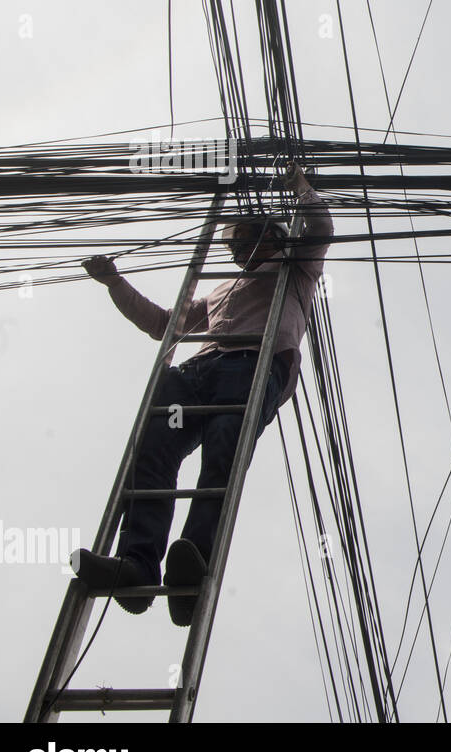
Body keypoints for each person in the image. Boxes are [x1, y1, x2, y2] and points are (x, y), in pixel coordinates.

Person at [72, 162, 332, 626]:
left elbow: (320, 227)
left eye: (245, 241)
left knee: (223, 448)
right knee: (153, 449)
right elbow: (161, 324)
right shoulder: (220, 291)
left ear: (271, 238)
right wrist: (115, 281)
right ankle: (136, 562)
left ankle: (193, 560)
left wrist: (299, 185)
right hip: (197, 372)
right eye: (233, 246)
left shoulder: (297, 270)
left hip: (252, 364)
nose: (237, 251)